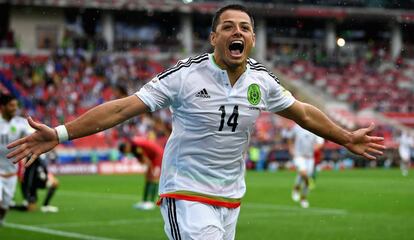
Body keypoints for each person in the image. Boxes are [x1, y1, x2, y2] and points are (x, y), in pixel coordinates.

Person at [7, 5, 385, 239]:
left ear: (252, 39)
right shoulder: (186, 76)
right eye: (229, 26)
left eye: (245, 28)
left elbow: (302, 112)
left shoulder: (262, 81)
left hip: (231, 197)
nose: (238, 32)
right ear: (213, 37)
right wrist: (59, 133)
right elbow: (123, 109)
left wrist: (345, 137)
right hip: (185, 191)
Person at [0, 94, 33, 226]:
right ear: (2, 107)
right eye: (11, 105)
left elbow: (33, 136)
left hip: (11, 174)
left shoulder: (20, 123)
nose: (15, 108)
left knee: (4, 207)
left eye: (16, 105)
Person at [119, 136, 164, 210]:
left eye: (125, 152)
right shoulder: (133, 147)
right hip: (152, 157)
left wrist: (150, 168)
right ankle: (145, 201)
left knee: (154, 177)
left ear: (126, 148)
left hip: (157, 155)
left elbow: (145, 159)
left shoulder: (135, 146)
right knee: (148, 177)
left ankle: (151, 202)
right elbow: (143, 159)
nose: (127, 153)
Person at [288, 124, 324, 208]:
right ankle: (296, 188)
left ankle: (303, 198)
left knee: (305, 178)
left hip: (309, 158)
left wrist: (315, 148)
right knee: (304, 174)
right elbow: (290, 137)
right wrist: (291, 148)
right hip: (299, 156)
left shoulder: (314, 128)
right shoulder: (296, 127)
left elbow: (320, 142)